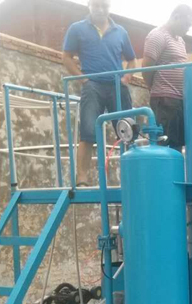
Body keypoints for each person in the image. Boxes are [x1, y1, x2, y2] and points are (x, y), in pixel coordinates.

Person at [62, 0, 138, 186]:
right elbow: (66, 57)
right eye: (96, 5)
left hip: (116, 86)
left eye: (105, 5)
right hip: (92, 85)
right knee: (88, 130)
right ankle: (82, 178)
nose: (101, 9)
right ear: (89, 5)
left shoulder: (121, 31)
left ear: (109, 7)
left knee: (127, 130)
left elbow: (132, 60)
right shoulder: (77, 28)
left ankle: (133, 177)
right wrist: (84, 80)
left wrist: (125, 79)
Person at [142, 5, 192, 150]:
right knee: (165, 142)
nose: (188, 29)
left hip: (178, 99)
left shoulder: (180, 41)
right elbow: (146, 68)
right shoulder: (158, 35)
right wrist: (154, 88)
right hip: (165, 99)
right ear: (176, 17)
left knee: (177, 142)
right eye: (186, 24)